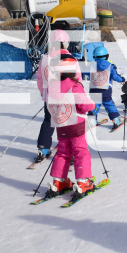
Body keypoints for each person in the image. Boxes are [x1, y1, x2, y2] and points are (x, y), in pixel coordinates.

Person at [44, 54, 97, 201]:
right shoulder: (74, 85)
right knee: (80, 152)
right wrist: (92, 104)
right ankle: (83, 181)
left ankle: (58, 181)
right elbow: (84, 105)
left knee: (62, 152)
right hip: (76, 125)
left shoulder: (52, 86)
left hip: (61, 124)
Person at [34, 30, 77, 163]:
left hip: (49, 97)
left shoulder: (45, 58)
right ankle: (70, 153)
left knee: (48, 120)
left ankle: (43, 148)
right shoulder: (69, 58)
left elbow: (40, 78)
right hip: (66, 97)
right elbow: (76, 79)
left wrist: (42, 92)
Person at [83, 46, 125, 130]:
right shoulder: (110, 65)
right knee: (109, 104)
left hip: (94, 89)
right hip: (106, 90)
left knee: (94, 105)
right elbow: (115, 76)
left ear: (94, 56)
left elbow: (86, 72)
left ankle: (91, 121)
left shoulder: (91, 65)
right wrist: (122, 79)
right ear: (107, 56)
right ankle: (116, 120)